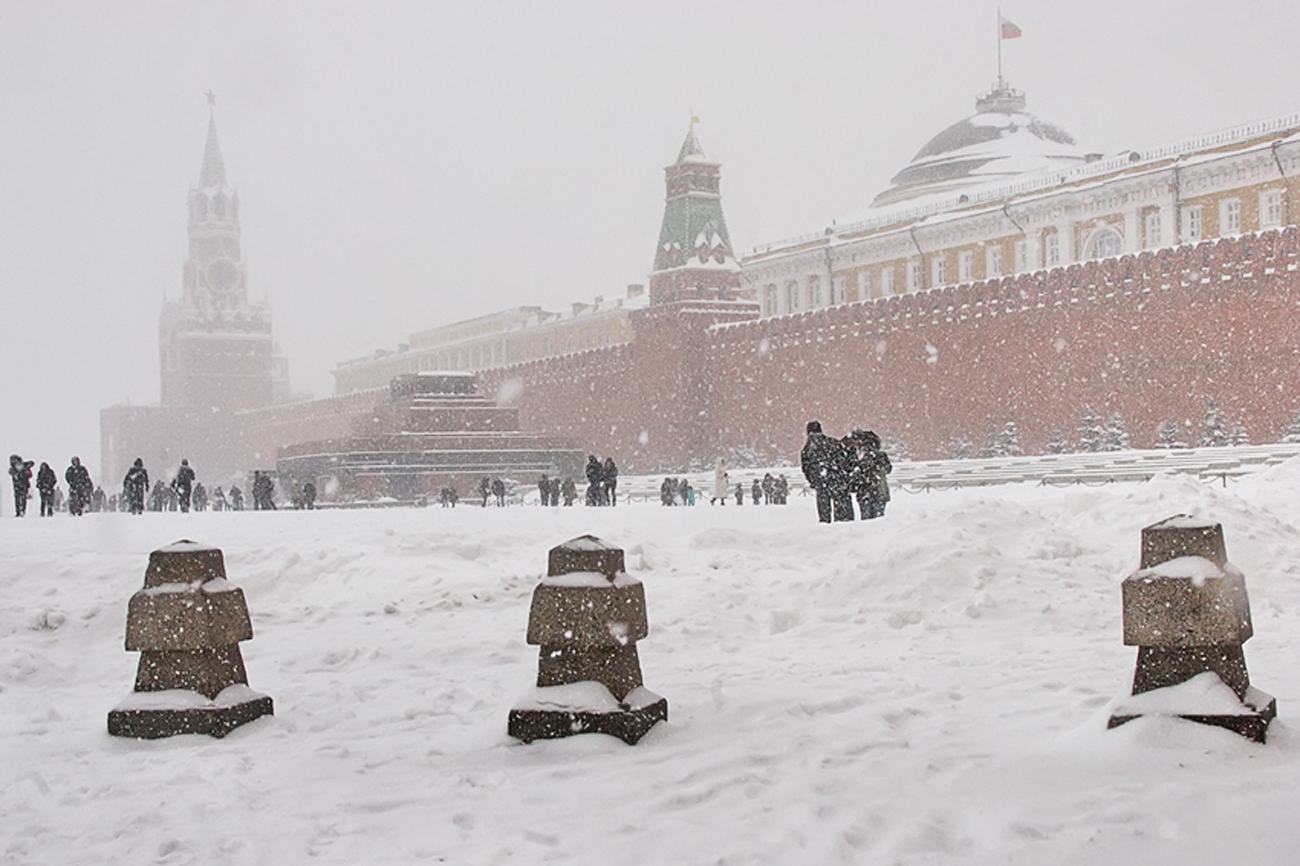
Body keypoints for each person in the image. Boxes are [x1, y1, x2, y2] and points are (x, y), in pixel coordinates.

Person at [801, 420, 852, 523]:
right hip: (837, 479)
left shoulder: (807, 449)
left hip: (821, 482)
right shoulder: (833, 443)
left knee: (824, 513)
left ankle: (826, 530)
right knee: (842, 513)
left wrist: (814, 481)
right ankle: (844, 528)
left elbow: (806, 468)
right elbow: (845, 459)